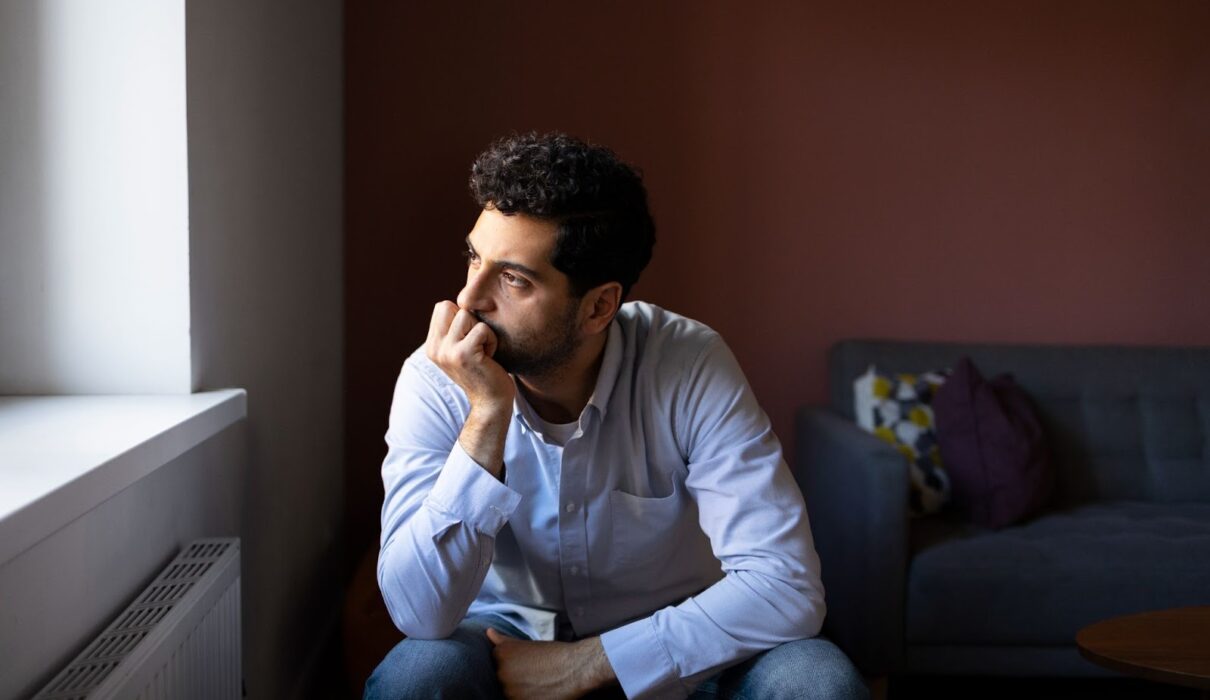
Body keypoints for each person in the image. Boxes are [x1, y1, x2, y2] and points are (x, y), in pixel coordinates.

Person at [365, 132, 868, 700]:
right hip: (502, 644)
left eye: (513, 279)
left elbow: (787, 586)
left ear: (599, 306)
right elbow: (419, 614)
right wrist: (486, 417)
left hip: (680, 648)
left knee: (817, 682)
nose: (468, 299)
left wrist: (591, 662)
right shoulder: (436, 376)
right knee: (415, 678)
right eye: (474, 258)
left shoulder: (688, 363)